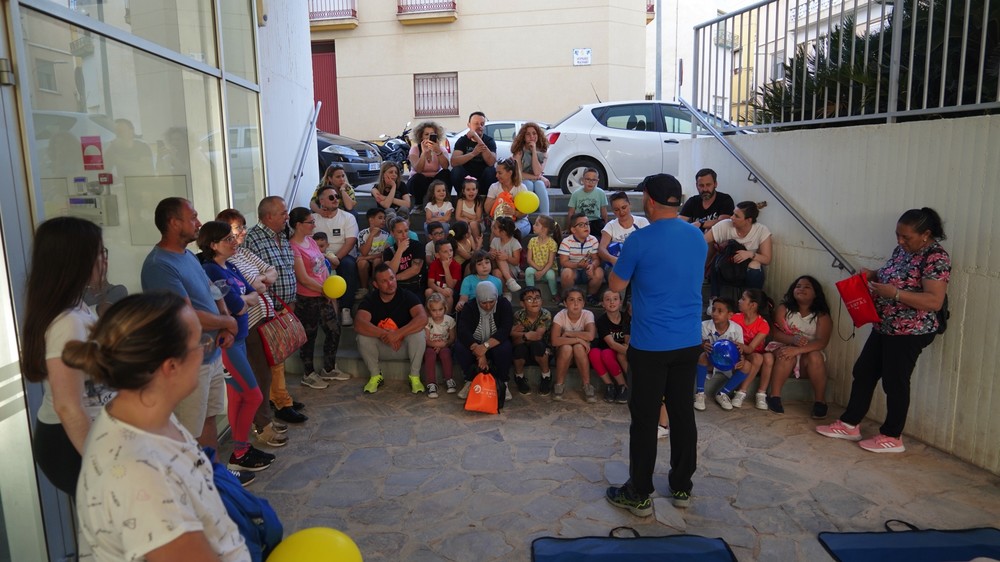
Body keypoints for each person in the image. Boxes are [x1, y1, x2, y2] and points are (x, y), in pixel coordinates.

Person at [68, 292, 252, 561]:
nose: (206, 346)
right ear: (171, 366)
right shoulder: (140, 475)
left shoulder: (149, 415)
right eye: (199, 341)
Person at [606, 173, 706, 515]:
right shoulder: (698, 237)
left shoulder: (639, 240)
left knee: (646, 420)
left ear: (648, 200)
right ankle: (682, 487)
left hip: (650, 345)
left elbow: (616, 284)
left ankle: (639, 492)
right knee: (682, 415)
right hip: (689, 340)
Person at [817, 208, 950, 454]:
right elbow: (893, 273)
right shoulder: (903, 250)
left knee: (895, 381)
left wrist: (895, 294)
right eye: (897, 235)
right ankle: (849, 424)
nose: (900, 241)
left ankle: (892, 436)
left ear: (926, 234)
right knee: (864, 371)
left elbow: (934, 301)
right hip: (886, 324)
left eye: (906, 237)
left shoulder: (936, 257)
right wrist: (871, 274)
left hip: (911, 330)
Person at [21, 217, 114, 495]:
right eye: (99, 252)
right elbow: (68, 406)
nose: (104, 260)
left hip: (87, 435)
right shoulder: (67, 322)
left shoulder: (78, 307)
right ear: (76, 260)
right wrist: (98, 462)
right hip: (71, 441)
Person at [141, 198, 237, 452]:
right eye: (193, 217)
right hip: (188, 363)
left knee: (208, 420)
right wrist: (227, 321)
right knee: (187, 433)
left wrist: (226, 324)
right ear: (174, 223)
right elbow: (186, 314)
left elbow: (213, 289)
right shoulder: (159, 265)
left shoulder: (187, 256)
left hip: (211, 355)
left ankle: (214, 480)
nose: (199, 222)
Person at [196, 222, 274, 473]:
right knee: (253, 395)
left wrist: (244, 300)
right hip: (227, 346)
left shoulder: (229, 266)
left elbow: (254, 294)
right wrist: (244, 300)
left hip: (239, 341)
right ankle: (240, 452)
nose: (234, 242)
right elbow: (238, 306)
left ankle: (242, 450)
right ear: (213, 245)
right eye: (227, 239)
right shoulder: (211, 270)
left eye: (233, 237)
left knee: (241, 396)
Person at [215, 209, 288, 447]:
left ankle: (264, 419)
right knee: (255, 378)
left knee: (265, 374)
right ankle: (261, 427)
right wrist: (256, 284)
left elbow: (271, 271)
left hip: (261, 321)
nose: (243, 232)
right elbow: (243, 294)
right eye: (237, 229)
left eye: (242, 227)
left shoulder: (243, 253)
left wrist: (260, 281)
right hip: (246, 326)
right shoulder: (221, 263)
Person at [244, 196, 307, 424]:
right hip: (265, 310)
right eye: (283, 213)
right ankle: (281, 403)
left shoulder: (283, 235)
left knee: (278, 356)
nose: (287, 216)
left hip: (285, 307)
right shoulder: (252, 239)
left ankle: (278, 396)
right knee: (274, 359)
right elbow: (250, 276)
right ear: (268, 216)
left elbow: (286, 271)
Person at [289, 207, 348, 390]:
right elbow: (303, 278)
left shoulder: (311, 242)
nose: (314, 224)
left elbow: (322, 267)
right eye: (310, 222)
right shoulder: (293, 247)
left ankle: (329, 369)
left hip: (323, 295)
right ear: (299, 225)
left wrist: (328, 290)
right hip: (307, 299)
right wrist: (325, 290)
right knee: (309, 336)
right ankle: (308, 374)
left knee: (334, 329)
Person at [763, 276, 832, 417]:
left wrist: (797, 350)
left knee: (816, 355)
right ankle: (774, 396)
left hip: (807, 355)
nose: (801, 289)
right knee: (785, 353)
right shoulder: (784, 309)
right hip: (785, 347)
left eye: (807, 287)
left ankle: (820, 402)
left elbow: (821, 342)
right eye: (798, 286)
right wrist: (792, 340)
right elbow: (775, 333)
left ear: (815, 293)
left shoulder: (821, 315)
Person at [355, 264, 428, 395]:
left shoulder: (407, 295)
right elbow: (359, 323)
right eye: (384, 281)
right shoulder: (370, 299)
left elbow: (422, 318)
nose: (390, 283)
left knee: (419, 333)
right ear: (376, 285)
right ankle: (375, 375)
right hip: (382, 347)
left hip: (405, 348)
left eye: (392, 278)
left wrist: (399, 333)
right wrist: (385, 334)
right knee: (362, 337)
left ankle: (414, 376)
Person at [454, 282, 514, 410]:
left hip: (495, 344)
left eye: (491, 302)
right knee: (460, 347)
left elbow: (505, 330)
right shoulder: (469, 307)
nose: (488, 306)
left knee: (505, 348)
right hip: (476, 344)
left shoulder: (504, 305)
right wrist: (478, 350)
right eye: (483, 303)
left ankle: (503, 381)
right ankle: (470, 380)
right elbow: (463, 331)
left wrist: (485, 347)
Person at [714, 289, 771, 410]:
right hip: (737, 353)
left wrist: (739, 346)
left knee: (758, 357)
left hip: (751, 353)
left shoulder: (763, 324)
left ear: (753, 305)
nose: (739, 301)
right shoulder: (735, 318)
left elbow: (750, 349)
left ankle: (742, 392)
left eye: (743, 299)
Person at [312, 185, 360, 326]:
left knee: (348, 266)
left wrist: (336, 259)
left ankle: (346, 309)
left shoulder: (348, 217)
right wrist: (325, 258)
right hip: (319, 256)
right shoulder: (313, 219)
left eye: (336, 197)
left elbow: (350, 242)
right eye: (331, 197)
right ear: (321, 201)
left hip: (343, 256)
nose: (335, 200)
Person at [704, 200, 773, 297]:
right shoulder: (725, 225)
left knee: (755, 265)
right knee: (717, 259)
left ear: (748, 220)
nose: (731, 217)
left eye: (736, 216)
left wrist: (749, 254)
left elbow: (767, 259)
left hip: (745, 268)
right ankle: (714, 298)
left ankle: (752, 302)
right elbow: (702, 241)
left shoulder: (761, 230)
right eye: (733, 214)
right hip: (726, 264)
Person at [693, 297, 743, 412]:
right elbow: (694, 344)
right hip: (710, 363)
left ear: (730, 315)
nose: (715, 313)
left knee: (747, 366)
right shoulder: (704, 325)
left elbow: (740, 350)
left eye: (720, 311)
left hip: (729, 364)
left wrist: (741, 359)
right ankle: (700, 393)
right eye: (713, 309)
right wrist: (702, 345)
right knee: (703, 356)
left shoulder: (737, 329)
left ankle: (722, 393)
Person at [550, 288, 597, 402]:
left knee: (579, 348)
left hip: (582, 354)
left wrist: (569, 334)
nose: (576, 304)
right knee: (567, 348)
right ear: (565, 303)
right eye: (571, 300)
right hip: (564, 355)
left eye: (579, 300)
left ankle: (587, 385)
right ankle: (559, 384)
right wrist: (579, 339)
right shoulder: (560, 315)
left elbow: (591, 336)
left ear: (584, 303)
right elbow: (555, 341)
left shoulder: (588, 314)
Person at [590, 289, 630, 404]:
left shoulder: (626, 318)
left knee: (609, 354)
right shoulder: (602, 321)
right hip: (608, 349)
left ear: (620, 302)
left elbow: (628, 339)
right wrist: (630, 352)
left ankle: (623, 386)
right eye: (608, 300)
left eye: (615, 299)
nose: (611, 302)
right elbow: (611, 344)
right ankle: (610, 385)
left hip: (620, 352)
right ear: (603, 304)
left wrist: (627, 349)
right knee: (595, 353)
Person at [511, 287, 553, 396]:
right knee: (518, 348)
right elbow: (513, 338)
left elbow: (538, 336)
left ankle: (546, 376)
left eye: (537, 298)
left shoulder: (545, 314)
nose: (534, 301)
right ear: (522, 304)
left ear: (542, 301)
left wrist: (520, 335)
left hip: (543, 348)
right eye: (529, 299)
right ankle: (519, 377)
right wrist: (526, 336)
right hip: (524, 347)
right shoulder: (518, 315)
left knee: (537, 345)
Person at [559, 212, 604, 305]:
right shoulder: (567, 241)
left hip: (587, 271)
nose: (586, 227)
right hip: (573, 270)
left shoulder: (593, 240)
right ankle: (568, 297)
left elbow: (596, 259)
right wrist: (577, 265)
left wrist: (592, 266)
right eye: (581, 225)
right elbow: (563, 262)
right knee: (566, 273)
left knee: (599, 272)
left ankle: (590, 297)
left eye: (587, 224)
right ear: (573, 230)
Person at [450, 111, 497, 197]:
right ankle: (462, 198)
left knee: (491, 170)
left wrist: (477, 138)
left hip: (483, 178)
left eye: (482, 124)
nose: (480, 126)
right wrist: (473, 153)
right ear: (469, 125)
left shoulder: (489, 141)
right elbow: (454, 162)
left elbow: (491, 162)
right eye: (476, 123)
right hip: (466, 179)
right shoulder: (462, 140)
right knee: (456, 170)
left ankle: (485, 198)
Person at [407, 121, 451, 208]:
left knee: (447, 173)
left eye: (432, 134)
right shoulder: (415, 149)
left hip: (434, 181)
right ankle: (418, 205)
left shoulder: (441, 149)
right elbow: (418, 169)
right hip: (418, 182)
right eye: (426, 134)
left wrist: (438, 151)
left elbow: (445, 166)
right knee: (418, 177)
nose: (429, 137)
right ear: (421, 137)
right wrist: (424, 153)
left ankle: (445, 204)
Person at [598, 191, 649, 267]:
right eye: (616, 210)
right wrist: (613, 259)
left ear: (629, 205)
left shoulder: (642, 222)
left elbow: (650, 244)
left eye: (624, 207)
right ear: (612, 210)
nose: (621, 212)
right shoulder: (610, 226)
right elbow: (601, 249)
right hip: (617, 266)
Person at [510, 121, 551, 215]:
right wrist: (539, 177)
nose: (532, 136)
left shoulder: (543, 152)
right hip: (522, 180)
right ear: (523, 137)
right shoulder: (519, 151)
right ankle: (524, 217)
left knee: (540, 185)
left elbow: (537, 171)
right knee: (528, 184)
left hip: (536, 180)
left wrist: (534, 152)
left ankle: (546, 218)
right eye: (528, 134)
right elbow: (519, 174)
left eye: (534, 133)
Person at [484, 157, 531, 237]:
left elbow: (525, 213)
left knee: (511, 230)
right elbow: (487, 209)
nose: (496, 176)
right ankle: (493, 249)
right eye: (496, 173)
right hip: (498, 219)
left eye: (500, 173)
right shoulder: (494, 187)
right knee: (497, 228)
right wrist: (500, 198)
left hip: (519, 220)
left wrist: (514, 212)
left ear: (510, 173)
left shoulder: (521, 188)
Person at [422, 293, 456, 398]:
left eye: (440, 309)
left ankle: (449, 379)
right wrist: (435, 344)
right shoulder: (427, 321)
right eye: (434, 310)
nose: (437, 313)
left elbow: (452, 338)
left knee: (446, 353)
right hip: (430, 346)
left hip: (444, 345)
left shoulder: (449, 320)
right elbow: (426, 339)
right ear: (429, 310)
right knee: (429, 354)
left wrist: (443, 345)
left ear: (445, 308)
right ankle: (431, 384)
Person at [383, 216, 425, 299]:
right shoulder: (388, 251)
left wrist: (393, 279)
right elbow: (390, 272)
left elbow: (415, 270)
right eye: (400, 232)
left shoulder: (417, 246)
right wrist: (400, 250)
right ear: (392, 233)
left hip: (415, 286)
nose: (404, 235)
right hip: (396, 288)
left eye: (406, 231)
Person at [525, 215, 561, 302]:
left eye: (536, 224)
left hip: (548, 269)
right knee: (528, 271)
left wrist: (542, 272)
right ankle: (531, 293)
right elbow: (529, 259)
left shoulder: (552, 243)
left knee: (551, 275)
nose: (533, 226)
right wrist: (538, 269)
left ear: (544, 229)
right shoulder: (532, 241)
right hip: (536, 269)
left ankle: (554, 294)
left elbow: (550, 262)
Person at [357, 207, 390, 297]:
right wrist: (371, 235)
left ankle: (375, 287)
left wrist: (367, 257)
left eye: (384, 218)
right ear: (371, 220)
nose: (383, 220)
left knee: (377, 261)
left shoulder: (386, 235)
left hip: (378, 259)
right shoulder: (362, 234)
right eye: (380, 218)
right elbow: (364, 252)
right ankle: (364, 289)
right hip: (366, 261)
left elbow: (384, 253)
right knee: (362, 263)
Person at [489, 215, 523, 297]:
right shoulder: (495, 241)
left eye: (495, 228)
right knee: (497, 271)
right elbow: (490, 254)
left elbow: (516, 262)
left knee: (501, 257)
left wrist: (507, 257)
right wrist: (491, 255)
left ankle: (508, 286)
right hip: (497, 268)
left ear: (503, 232)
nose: (493, 230)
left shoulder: (514, 243)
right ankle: (505, 291)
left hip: (511, 270)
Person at [567, 168, 608, 234]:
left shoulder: (601, 193)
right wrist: (569, 228)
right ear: (582, 180)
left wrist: (606, 228)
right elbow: (571, 212)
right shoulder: (576, 193)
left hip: (595, 222)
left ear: (597, 181)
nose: (590, 182)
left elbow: (604, 212)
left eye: (594, 180)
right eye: (588, 179)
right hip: (580, 222)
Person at [425, 239, 461, 312]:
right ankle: (429, 316)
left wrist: (446, 268)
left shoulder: (456, 266)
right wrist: (440, 290)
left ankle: (447, 318)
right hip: (438, 289)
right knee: (428, 291)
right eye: (445, 252)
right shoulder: (434, 264)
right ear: (437, 255)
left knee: (448, 291)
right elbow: (430, 283)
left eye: (451, 250)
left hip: (452, 292)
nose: (449, 253)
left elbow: (451, 286)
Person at [456, 177, 485, 245]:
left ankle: (477, 244)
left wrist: (464, 213)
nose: (471, 191)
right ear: (463, 191)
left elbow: (478, 219)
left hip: (478, 225)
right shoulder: (460, 201)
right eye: (468, 190)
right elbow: (457, 217)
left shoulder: (478, 202)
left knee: (473, 224)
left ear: (477, 191)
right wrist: (470, 219)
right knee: (464, 224)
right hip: (464, 223)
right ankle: (466, 247)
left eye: (473, 189)